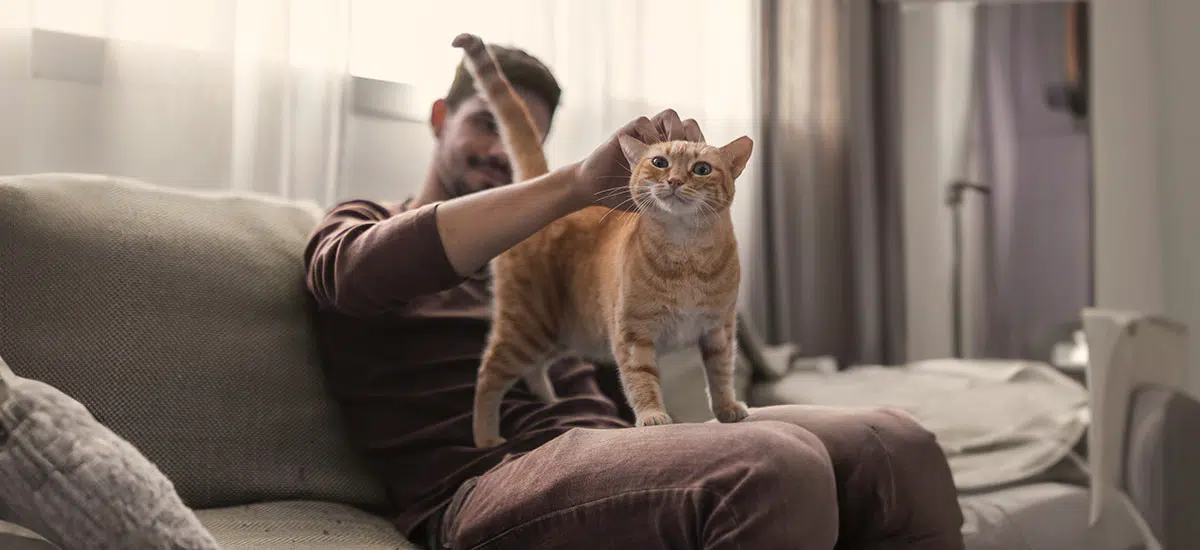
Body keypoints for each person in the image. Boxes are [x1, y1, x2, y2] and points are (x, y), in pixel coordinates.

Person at [303, 44, 965, 550]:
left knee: (896, 444)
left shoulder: (556, 247)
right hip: (479, 488)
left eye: (522, 139)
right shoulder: (363, 221)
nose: (501, 153)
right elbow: (353, 277)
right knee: (775, 467)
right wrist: (568, 187)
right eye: (488, 126)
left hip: (608, 449)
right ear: (441, 118)